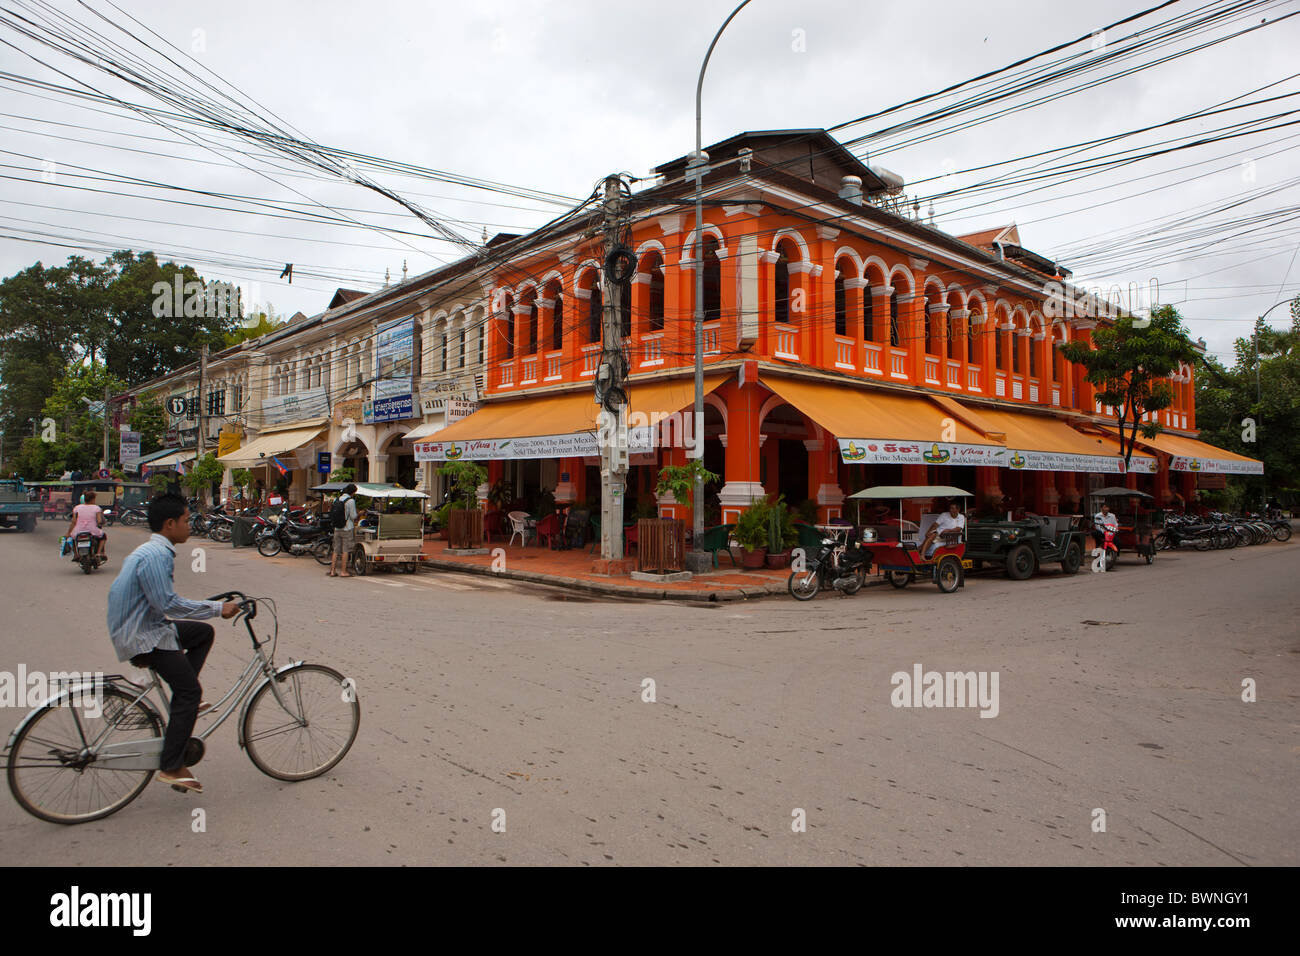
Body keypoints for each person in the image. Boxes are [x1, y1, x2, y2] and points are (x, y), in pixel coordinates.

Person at [106, 493, 239, 794]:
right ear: (169, 524)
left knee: (202, 634)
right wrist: (218, 609)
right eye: (185, 520)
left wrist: (209, 610)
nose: (190, 526)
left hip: (147, 627)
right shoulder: (156, 555)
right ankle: (171, 765)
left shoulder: (153, 550)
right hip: (142, 635)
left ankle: (183, 697)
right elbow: (169, 604)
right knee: (190, 693)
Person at [66, 489, 107, 560]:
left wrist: (68, 533)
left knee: (72, 539)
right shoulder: (96, 508)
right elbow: (99, 520)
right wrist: (100, 523)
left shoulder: (77, 508)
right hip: (92, 531)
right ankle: (99, 553)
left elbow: (73, 522)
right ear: (93, 499)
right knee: (103, 537)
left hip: (78, 531)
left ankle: (76, 555)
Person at [329, 483, 358, 578]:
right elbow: (353, 516)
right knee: (345, 550)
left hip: (337, 528)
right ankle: (343, 571)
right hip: (347, 528)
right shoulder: (351, 501)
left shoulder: (337, 499)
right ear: (353, 492)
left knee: (336, 550)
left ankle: (332, 571)